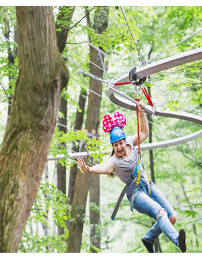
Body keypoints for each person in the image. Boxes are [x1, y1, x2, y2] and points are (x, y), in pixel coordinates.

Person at [77, 103, 186, 253]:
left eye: (120, 143)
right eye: (116, 145)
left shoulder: (129, 142)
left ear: (124, 140)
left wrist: (141, 113)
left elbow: (144, 133)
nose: (120, 147)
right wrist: (87, 169)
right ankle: (177, 241)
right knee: (160, 212)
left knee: (172, 217)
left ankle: (148, 238)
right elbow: (101, 168)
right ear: (113, 146)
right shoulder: (114, 162)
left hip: (148, 184)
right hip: (136, 194)